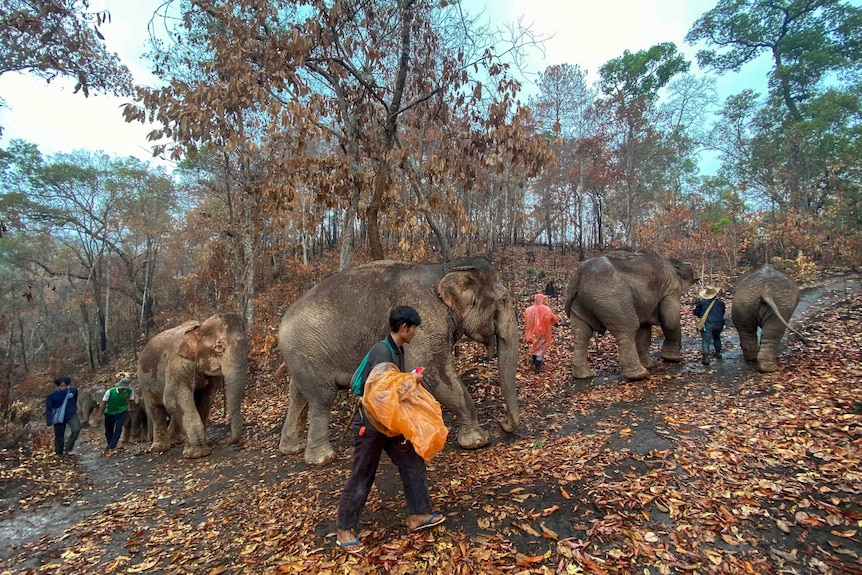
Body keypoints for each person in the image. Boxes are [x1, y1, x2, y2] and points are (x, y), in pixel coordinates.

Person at [335, 305, 445, 553]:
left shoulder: (397, 350)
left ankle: (418, 514)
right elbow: (381, 396)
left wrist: (408, 379)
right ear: (404, 328)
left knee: (412, 461)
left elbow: (391, 389)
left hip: (390, 422)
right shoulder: (382, 352)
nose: (415, 332)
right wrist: (411, 381)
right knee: (363, 473)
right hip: (372, 423)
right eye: (414, 328)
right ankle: (344, 528)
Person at [45, 376, 81, 456]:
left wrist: (73, 408)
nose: (64, 387)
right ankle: (59, 453)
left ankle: (68, 447)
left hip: (71, 414)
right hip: (58, 417)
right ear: (58, 386)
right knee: (59, 437)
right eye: (61, 386)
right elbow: (49, 409)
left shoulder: (73, 391)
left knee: (76, 429)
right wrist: (49, 422)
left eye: (65, 385)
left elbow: (74, 399)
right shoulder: (52, 396)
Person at [524, 293, 559, 372]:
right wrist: (555, 322)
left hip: (532, 332)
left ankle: (534, 359)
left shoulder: (529, 309)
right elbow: (552, 316)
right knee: (542, 348)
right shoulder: (546, 309)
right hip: (544, 332)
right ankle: (538, 364)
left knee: (535, 344)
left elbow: (526, 316)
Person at [100, 376, 136, 453]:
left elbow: (132, 400)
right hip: (109, 412)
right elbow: (103, 403)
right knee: (108, 430)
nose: (123, 389)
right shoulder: (110, 391)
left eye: (125, 388)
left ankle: (112, 446)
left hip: (121, 411)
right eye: (122, 387)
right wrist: (99, 415)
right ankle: (110, 444)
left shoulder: (129, 391)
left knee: (118, 428)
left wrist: (132, 409)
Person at [693, 285, 726, 365]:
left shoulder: (701, 303)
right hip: (719, 324)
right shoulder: (720, 303)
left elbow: (696, 313)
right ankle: (718, 353)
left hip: (707, 324)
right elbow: (723, 312)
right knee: (717, 337)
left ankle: (706, 357)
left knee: (706, 340)